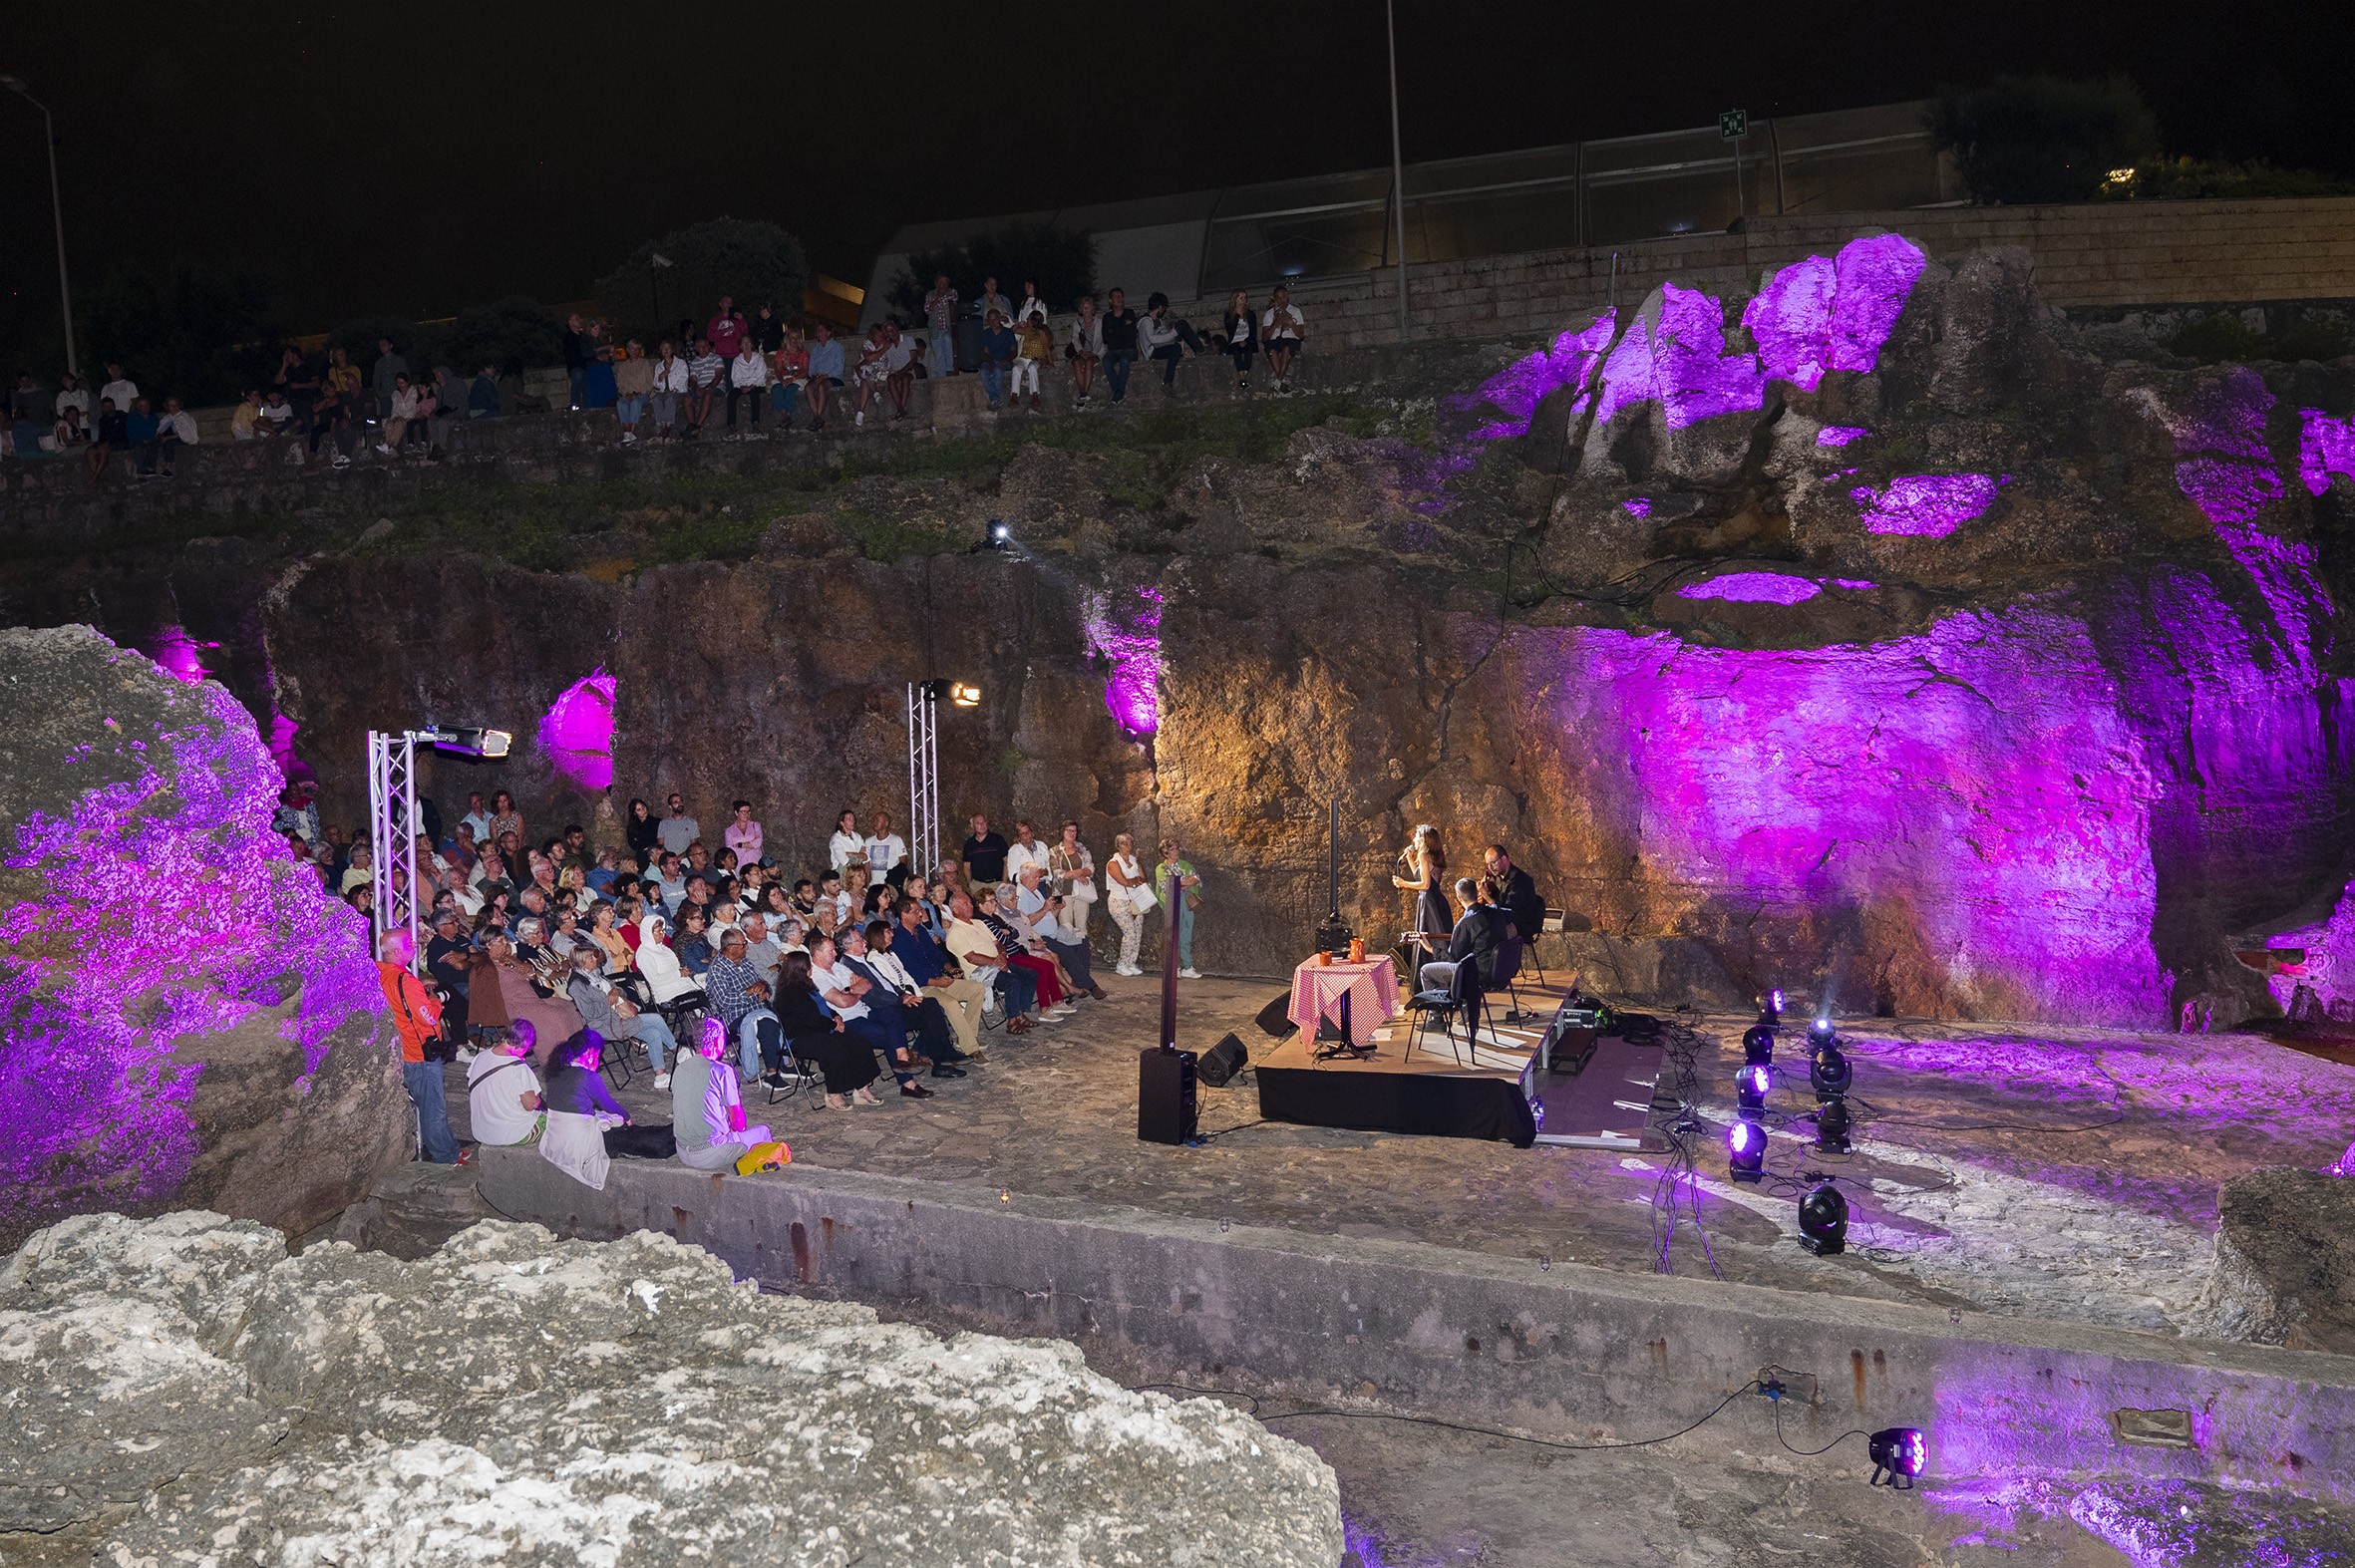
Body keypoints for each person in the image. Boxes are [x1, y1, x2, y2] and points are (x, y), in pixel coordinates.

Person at [377, 930, 465, 1165]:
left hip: (400, 1050)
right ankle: (446, 1158)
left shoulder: (379, 973)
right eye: (409, 942)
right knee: (433, 1108)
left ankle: (449, 1150)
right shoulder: (406, 981)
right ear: (397, 951)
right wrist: (435, 1001)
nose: (415, 944)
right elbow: (428, 1016)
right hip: (420, 1053)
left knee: (428, 1105)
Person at [810, 933, 932, 1098]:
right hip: (848, 1020)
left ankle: (903, 1058)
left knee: (890, 1008)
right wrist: (855, 990)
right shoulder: (816, 976)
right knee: (889, 1033)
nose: (835, 953)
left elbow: (867, 983)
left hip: (864, 1011)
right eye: (831, 951)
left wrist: (849, 991)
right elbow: (843, 1002)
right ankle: (908, 1082)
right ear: (818, 954)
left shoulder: (837, 966)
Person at [844, 923, 964, 1078]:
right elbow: (873, 995)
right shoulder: (850, 966)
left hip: (895, 1000)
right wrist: (900, 999)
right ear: (848, 945)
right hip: (883, 1009)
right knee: (930, 1010)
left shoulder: (866, 959)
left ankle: (942, 1055)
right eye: (860, 939)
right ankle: (939, 1057)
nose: (864, 941)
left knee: (931, 1005)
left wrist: (905, 995)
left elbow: (890, 982)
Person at [770, 949, 881, 1105]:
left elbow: (824, 1006)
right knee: (835, 1049)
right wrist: (834, 1025)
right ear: (801, 969)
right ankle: (833, 1093)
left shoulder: (807, 985)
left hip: (822, 1029)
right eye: (809, 966)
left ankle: (862, 1088)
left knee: (858, 1041)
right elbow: (810, 1019)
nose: (811, 968)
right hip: (801, 1036)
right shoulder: (790, 993)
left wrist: (836, 1016)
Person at [889, 899, 991, 1059]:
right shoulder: (897, 939)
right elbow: (911, 972)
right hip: (922, 987)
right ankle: (971, 1049)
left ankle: (967, 1037)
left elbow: (936, 954)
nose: (921, 914)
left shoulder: (920, 931)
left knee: (977, 989)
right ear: (904, 914)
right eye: (916, 911)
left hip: (940, 979)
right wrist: (937, 982)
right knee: (950, 1003)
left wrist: (950, 968)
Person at [567, 944, 679, 1082]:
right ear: (581, 962)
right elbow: (590, 1013)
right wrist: (608, 1000)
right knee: (655, 1019)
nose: (595, 959)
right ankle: (677, 1049)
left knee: (654, 1034)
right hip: (605, 1025)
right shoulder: (577, 985)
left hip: (620, 1016)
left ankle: (660, 1076)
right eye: (591, 957)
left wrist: (616, 991)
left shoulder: (595, 974)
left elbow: (620, 991)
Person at [673, 1016, 771, 1170]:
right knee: (763, 1132)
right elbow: (736, 1118)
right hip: (709, 1153)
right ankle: (755, 1165)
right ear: (717, 1041)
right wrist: (737, 1134)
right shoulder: (722, 1070)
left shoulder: (680, 1069)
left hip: (683, 1151)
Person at [944, 889, 1039, 1032]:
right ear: (955, 910)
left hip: (997, 962)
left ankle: (1019, 1013)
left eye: (970, 903)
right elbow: (972, 957)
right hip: (979, 971)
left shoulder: (978, 923)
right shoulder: (955, 932)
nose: (971, 906)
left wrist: (1002, 954)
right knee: (1012, 980)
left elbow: (997, 943)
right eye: (965, 904)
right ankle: (1012, 1021)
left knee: (1030, 974)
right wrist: (995, 962)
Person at [1417, 877, 1507, 999]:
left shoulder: (1464, 923)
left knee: (1426, 971)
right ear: (1477, 894)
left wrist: (1429, 948)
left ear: (1459, 898)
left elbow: (1453, 958)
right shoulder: (1497, 912)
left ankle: (1439, 1008)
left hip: (1479, 974)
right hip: (1502, 970)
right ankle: (1461, 1002)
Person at [467, 1027, 543, 1147]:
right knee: (554, 1121)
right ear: (524, 1045)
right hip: (510, 1134)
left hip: (482, 1132)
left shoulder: (480, 1056)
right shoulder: (519, 1068)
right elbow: (531, 1105)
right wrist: (537, 1098)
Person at [1393, 824, 1451, 974]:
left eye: (1417, 836)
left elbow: (1425, 884)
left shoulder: (1423, 856)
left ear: (1424, 840)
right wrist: (1409, 858)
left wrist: (1403, 884)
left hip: (1429, 902)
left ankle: (1432, 972)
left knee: (1428, 936)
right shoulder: (1432, 855)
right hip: (1436, 900)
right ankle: (1444, 971)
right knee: (1437, 936)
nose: (1414, 839)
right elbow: (1420, 876)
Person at [1104, 830, 1154, 976]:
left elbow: (1143, 878)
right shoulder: (1113, 863)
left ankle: (1131, 962)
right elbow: (1124, 881)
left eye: (1130, 843)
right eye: (1124, 843)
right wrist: (1134, 881)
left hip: (1135, 901)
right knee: (1129, 932)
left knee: (1137, 932)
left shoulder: (1134, 861)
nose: (1128, 846)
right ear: (1118, 846)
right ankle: (1122, 963)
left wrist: (1135, 881)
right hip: (1119, 901)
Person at [1139, 292, 1208, 389]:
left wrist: (1175, 335)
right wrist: (1173, 333)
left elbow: (1164, 335)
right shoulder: (1146, 321)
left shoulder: (1158, 321)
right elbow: (1152, 339)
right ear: (1160, 307)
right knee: (1180, 333)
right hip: (1153, 351)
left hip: (1160, 346)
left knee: (1181, 326)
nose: (1164, 311)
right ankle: (1201, 350)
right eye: (1164, 308)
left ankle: (1200, 350)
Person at [1483, 844, 1545, 945]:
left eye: (1493, 863)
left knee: (1489, 935)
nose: (1490, 868)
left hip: (1520, 926)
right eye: (1488, 864)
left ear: (1504, 859)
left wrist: (1487, 897)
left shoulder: (1521, 881)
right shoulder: (1496, 878)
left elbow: (1508, 913)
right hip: (1504, 922)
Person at [1159, 840, 1202, 978]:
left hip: (1187, 903)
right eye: (1173, 849)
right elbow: (1167, 885)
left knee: (1186, 933)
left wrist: (1181, 883)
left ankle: (1187, 966)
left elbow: (1196, 879)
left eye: (1177, 848)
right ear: (1166, 852)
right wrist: (1185, 882)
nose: (1177, 851)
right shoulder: (1161, 868)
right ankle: (1174, 967)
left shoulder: (1186, 865)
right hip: (1172, 903)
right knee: (1173, 934)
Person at [1262, 285, 1306, 394]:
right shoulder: (1269, 313)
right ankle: (1281, 382)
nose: (1282, 301)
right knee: (1271, 351)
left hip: (1290, 339)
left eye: (1284, 297)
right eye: (1279, 298)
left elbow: (1301, 335)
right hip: (1275, 340)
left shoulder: (1295, 311)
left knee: (1287, 348)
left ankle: (1278, 381)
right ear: (1275, 299)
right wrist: (1275, 324)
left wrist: (1291, 323)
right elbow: (1264, 337)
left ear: (1287, 296)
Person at [1100, 288, 1140, 404]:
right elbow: (1106, 337)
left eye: (1121, 296)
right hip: (1114, 350)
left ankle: (1119, 393)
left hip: (1129, 349)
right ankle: (1117, 391)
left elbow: (1131, 334)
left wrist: (1115, 329)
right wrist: (1123, 326)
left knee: (1124, 360)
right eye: (1116, 296)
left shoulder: (1130, 313)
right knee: (1106, 361)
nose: (1119, 299)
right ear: (1110, 301)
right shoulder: (1107, 317)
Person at [804, 321, 843, 430]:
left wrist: (825, 376)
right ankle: (817, 417)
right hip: (818, 378)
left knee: (822, 386)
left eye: (821, 330)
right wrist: (814, 376)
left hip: (833, 377)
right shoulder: (815, 349)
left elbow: (839, 368)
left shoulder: (837, 347)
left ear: (828, 333)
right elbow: (811, 369)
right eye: (817, 331)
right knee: (808, 388)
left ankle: (818, 416)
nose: (818, 333)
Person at [612, 339, 653, 444]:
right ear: (627, 350)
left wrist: (639, 393)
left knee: (636, 402)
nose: (634, 351)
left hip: (642, 394)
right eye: (632, 348)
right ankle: (627, 432)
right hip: (628, 394)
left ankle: (632, 432)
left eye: (636, 349)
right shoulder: (623, 367)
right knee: (621, 403)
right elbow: (620, 385)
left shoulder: (645, 363)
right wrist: (627, 393)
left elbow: (650, 382)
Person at [1067, 295, 1103, 410]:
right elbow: (1075, 339)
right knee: (1076, 362)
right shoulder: (1077, 323)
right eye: (1084, 308)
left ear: (1092, 308)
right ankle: (1083, 394)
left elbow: (1099, 339)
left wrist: (1093, 352)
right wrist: (1081, 351)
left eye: (1088, 308)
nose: (1086, 310)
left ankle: (1084, 392)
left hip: (1095, 352)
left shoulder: (1099, 322)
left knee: (1089, 363)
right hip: (1082, 352)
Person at [727, 336, 770, 435]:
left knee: (755, 394)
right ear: (740, 346)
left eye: (748, 342)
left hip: (756, 385)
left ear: (751, 344)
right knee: (731, 395)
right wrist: (742, 386)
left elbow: (761, 375)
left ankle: (755, 423)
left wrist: (751, 386)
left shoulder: (758, 358)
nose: (746, 345)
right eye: (743, 343)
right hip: (742, 385)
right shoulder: (737, 360)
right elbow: (735, 377)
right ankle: (731, 425)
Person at [771, 325, 811, 427]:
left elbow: (805, 371)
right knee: (776, 389)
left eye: (797, 337)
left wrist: (792, 379)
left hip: (798, 378)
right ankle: (784, 415)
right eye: (793, 337)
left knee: (790, 390)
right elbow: (777, 370)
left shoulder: (804, 354)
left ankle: (788, 414)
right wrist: (782, 380)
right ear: (788, 339)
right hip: (783, 377)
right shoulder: (781, 353)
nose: (795, 340)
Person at [1221, 290, 1259, 394]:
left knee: (1248, 350)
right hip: (1235, 341)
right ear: (1235, 300)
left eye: (1245, 298)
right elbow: (1230, 331)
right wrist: (1237, 316)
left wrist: (1246, 340)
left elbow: (1253, 331)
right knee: (1236, 351)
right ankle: (1242, 378)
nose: (1243, 301)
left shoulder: (1250, 314)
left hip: (1248, 340)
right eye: (1241, 298)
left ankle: (1244, 378)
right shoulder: (1229, 315)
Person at [684, 337, 724, 437]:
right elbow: (693, 380)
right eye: (701, 347)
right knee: (686, 398)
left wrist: (707, 388)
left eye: (706, 346)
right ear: (696, 349)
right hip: (700, 387)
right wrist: (696, 388)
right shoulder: (694, 363)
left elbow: (718, 376)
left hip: (716, 387)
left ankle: (698, 425)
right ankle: (692, 425)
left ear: (709, 346)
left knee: (707, 395)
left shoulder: (716, 358)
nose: (704, 348)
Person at [977, 310, 1016, 412]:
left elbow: (1014, 351)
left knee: (998, 370)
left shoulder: (1008, 332)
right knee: (983, 371)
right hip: (991, 360)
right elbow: (985, 353)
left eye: (995, 319)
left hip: (1005, 360)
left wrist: (1005, 360)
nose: (993, 323)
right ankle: (996, 399)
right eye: (990, 320)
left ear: (1000, 318)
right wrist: (992, 363)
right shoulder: (986, 333)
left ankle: (995, 400)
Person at [648, 340, 687, 440]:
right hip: (663, 391)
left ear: (672, 350)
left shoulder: (680, 363)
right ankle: (661, 424)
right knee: (656, 399)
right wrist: (661, 377)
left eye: (668, 348)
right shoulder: (659, 366)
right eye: (663, 348)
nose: (666, 350)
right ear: (661, 351)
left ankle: (668, 425)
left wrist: (674, 389)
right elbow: (655, 383)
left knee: (669, 398)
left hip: (678, 391)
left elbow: (684, 378)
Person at [922, 274, 959, 377]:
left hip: (948, 328)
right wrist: (936, 299)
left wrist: (940, 298)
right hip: (935, 328)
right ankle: (942, 376)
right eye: (941, 282)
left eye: (945, 282)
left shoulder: (952, 292)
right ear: (936, 283)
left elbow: (953, 301)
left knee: (948, 339)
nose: (943, 284)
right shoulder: (930, 294)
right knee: (938, 353)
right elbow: (927, 309)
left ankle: (949, 370)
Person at [154, 397, 198, 477]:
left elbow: (186, 433)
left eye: (176, 405)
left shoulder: (184, 417)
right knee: (152, 445)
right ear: (167, 407)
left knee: (168, 444)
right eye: (171, 405)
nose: (174, 407)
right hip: (170, 437)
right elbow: (160, 430)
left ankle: (169, 468)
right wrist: (161, 436)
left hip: (185, 439)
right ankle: (150, 469)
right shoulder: (167, 417)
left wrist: (167, 438)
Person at [371, 336, 409, 424]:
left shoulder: (399, 361)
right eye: (380, 345)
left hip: (398, 395)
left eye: (384, 345)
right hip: (385, 396)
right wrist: (379, 393)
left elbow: (406, 377)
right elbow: (376, 380)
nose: (382, 347)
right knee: (387, 420)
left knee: (399, 420)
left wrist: (403, 393)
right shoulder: (379, 363)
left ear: (390, 346)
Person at [864, 810, 906, 889]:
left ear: (886, 823)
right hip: (873, 885)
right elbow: (867, 865)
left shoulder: (896, 840)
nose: (874, 823)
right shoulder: (868, 841)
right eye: (874, 820)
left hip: (890, 885)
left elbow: (903, 863)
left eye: (878, 820)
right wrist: (867, 884)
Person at [561, 312, 594, 409]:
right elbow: (571, 355)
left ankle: (586, 406)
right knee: (578, 375)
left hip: (586, 366)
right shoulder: (567, 337)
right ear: (571, 322)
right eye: (577, 319)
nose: (580, 320)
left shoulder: (584, 336)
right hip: (576, 367)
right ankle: (575, 403)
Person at [658, 792, 701, 857]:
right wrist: (670, 858)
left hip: (685, 859)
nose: (679, 803)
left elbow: (693, 845)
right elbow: (660, 845)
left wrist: (679, 858)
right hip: (669, 860)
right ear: (670, 806)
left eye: (680, 801)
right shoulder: (663, 823)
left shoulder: (692, 822)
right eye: (675, 802)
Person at [724, 799, 763, 864]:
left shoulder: (755, 825)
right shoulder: (729, 831)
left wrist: (740, 845)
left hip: (756, 862)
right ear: (736, 813)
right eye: (744, 812)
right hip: (740, 865)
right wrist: (747, 848)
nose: (746, 814)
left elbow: (759, 842)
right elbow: (730, 850)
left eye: (748, 812)